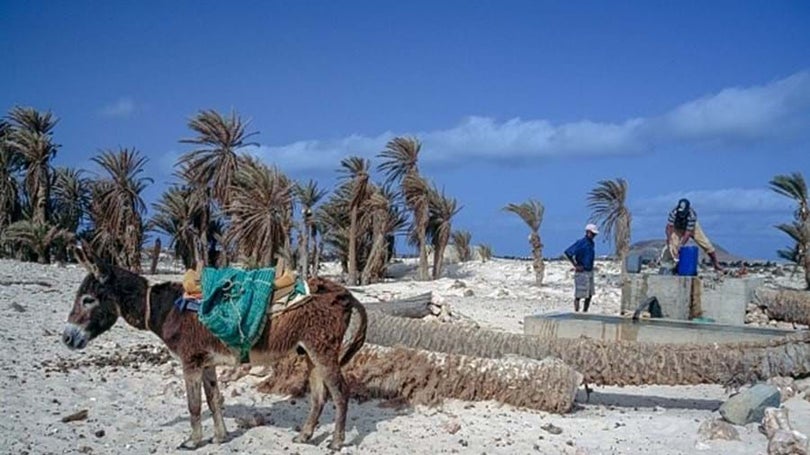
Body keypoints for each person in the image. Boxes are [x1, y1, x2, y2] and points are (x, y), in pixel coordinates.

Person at [664, 198, 722, 271]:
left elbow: (688, 233)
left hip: (692, 228)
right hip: (678, 227)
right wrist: (669, 239)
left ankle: (716, 264)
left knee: (706, 244)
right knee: (673, 245)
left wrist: (681, 244)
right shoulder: (673, 212)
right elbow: (669, 227)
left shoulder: (692, 215)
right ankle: (676, 265)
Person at [564, 224, 598, 312]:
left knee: (589, 294)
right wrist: (575, 265)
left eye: (595, 234)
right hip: (582, 271)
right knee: (579, 294)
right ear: (587, 232)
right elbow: (568, 253)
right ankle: (576, 311)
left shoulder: (592, 244)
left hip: (589, 270)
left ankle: (585, 311)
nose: (594, 236)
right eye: (592, 233)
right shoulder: (581, 243)